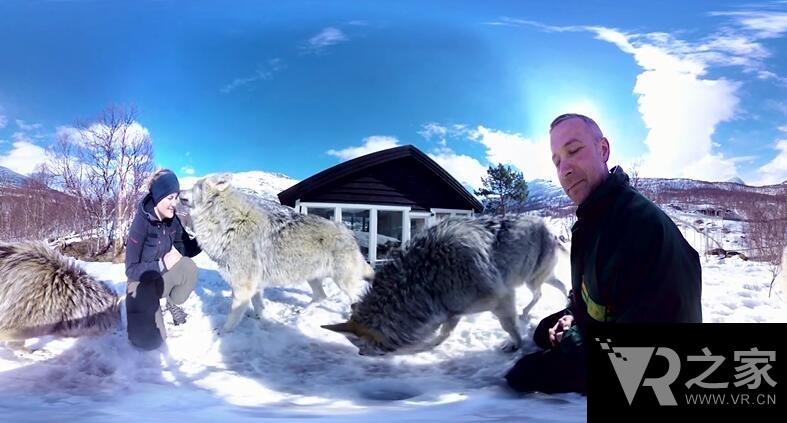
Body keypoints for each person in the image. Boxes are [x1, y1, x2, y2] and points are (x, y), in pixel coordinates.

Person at [504, 113, 703, 395]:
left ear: (603, 150)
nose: (565, 170)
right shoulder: (593, 220)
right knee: (543, 331)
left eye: (574, 151)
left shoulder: (635, 226)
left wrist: (573, 338)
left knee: (523, 375)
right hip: (616, 316)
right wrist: (572, 316)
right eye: (557, 161)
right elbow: (588, 292)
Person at [125, 169, 202, 350]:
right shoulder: (140, 225)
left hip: (160, 280)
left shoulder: (172, 220)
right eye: (170, 198)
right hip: (140, 286)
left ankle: (171, 303)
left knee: (188, 267)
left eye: (176, 197)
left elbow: (185, 249)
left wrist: (206, 236)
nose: (174, 203)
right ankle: (145, 313)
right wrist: (162, 263)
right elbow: (130, 269)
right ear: (158, 196)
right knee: (151, 342)